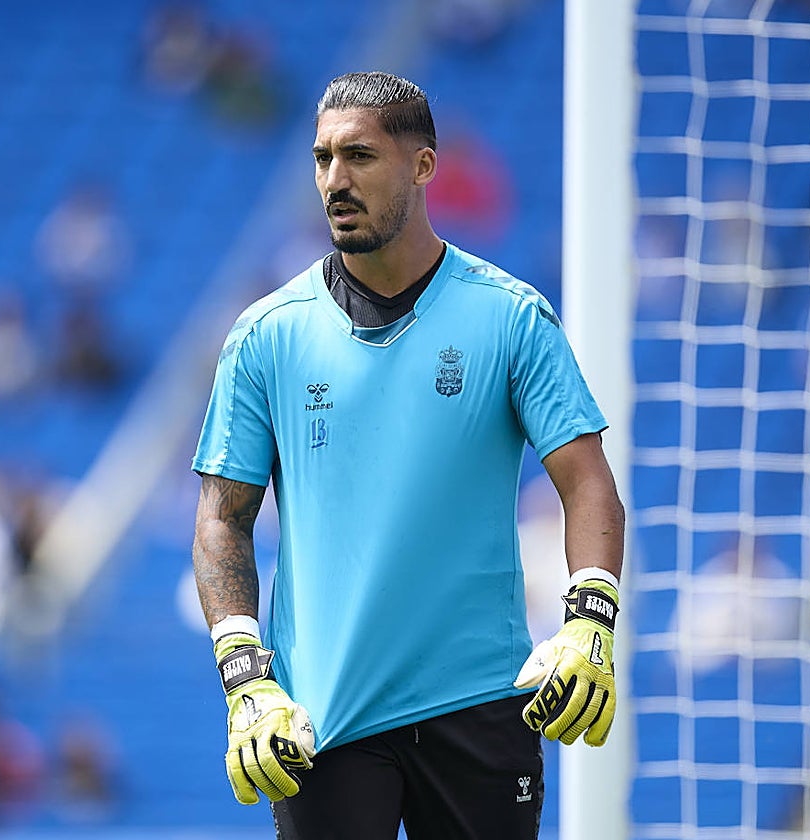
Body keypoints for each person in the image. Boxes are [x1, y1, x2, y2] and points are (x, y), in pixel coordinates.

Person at [191, 71, 625, 839]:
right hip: (322, 719)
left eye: (358, 156)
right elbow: (223, 517)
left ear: (424, 166)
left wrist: (590, 617)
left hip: (483, 705)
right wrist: (243, 674)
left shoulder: (512, 316)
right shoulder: (266, 335)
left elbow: (587, 483)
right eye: (322, 158)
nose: (334, 180)